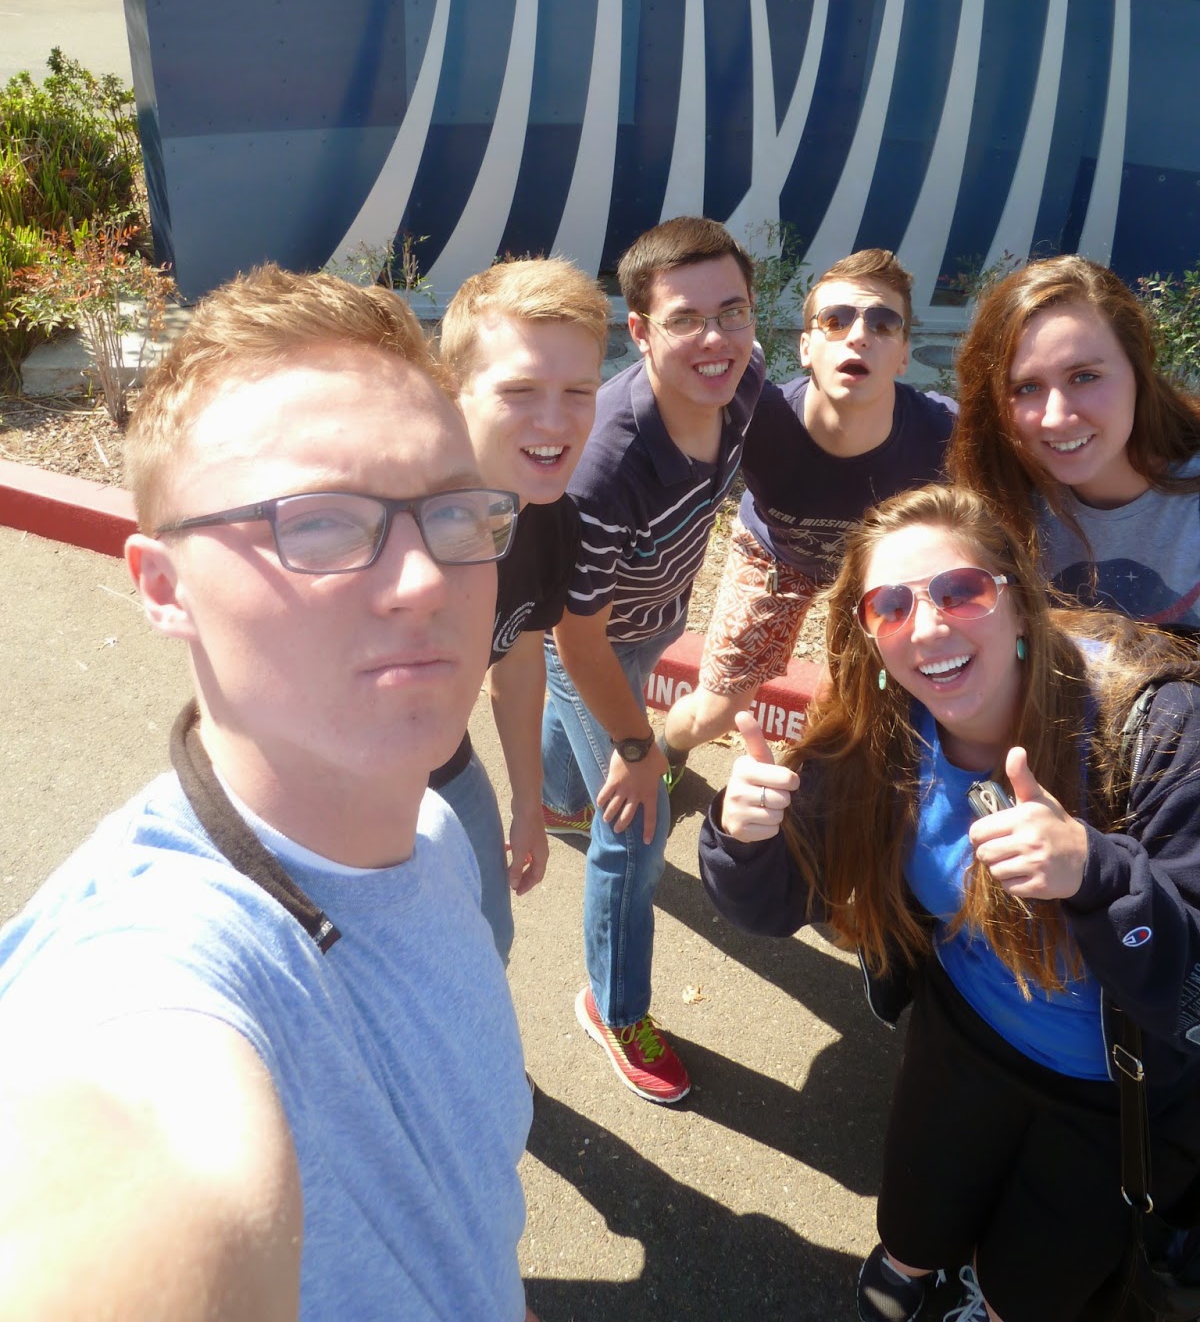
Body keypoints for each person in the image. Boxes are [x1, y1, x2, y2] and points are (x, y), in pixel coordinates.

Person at [0, 267, 536, 1322]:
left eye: (453, 513)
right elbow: (135, 1161)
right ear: (163, 587)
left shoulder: (434, 834)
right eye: (320, 523)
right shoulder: (156, 968)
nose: (426, 579)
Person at [699, 483, 1200, 1322]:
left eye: (960, 591)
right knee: (915, 1211)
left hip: (1117, 1089)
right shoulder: (878, 730)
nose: (927, 628)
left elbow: (1192, 988)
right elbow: (769, 909)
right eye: (890, 606)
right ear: (867, 634)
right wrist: (743, 836)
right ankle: (913, 1265)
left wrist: (1096, 874)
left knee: (1032, 1283)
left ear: (1019, 599)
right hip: (961, 1031)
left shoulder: (1154, 727)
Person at [542, 215, 765, 1103]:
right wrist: (639, 752)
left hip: (649, 616)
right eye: (686, 320)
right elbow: (576, 642)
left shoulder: (743, 383)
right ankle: (614, 1005)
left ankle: (559, 796)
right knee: (636, 827)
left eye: (733, 311)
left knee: (588, 756)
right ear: (639, 329)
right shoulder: (606, 470)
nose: (717, 340)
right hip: (587, 642)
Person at [662, 247, 954, 769]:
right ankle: (668, 754)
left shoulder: (945, 434)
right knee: (716, 713)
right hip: (774, 555)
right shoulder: (758, 415)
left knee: (860, 708)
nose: (858, 335)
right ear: (805, 346)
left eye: (884, 323)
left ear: (904, 354)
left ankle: (820, 792)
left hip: (878, 576)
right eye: (835, 320)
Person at [433, 257, 608, 963]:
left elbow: (519, 653)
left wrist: (527, 804)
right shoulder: (395, 524)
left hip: (444, 760)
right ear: (454, 391)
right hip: (327, 781)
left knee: (488, 939)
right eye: (520, 390)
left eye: (579, 391)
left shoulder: (550, 518)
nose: (554, 421)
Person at [950, 254, 1200, 626]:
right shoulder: (1001, 505)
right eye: (1027, 387)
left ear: (1139, 372)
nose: (1057, 417)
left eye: (1084, 377)